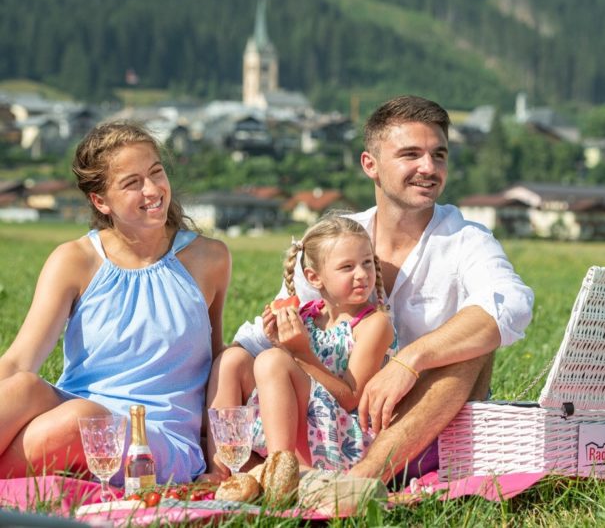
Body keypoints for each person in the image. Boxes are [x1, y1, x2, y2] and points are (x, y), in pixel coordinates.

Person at [210, 95, 534, 482]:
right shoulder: (337, 239)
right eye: (411, 154)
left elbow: (511, 306)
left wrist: (410, 359)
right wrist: (274, 332)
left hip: (421, 425)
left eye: (439, 155)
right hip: (336, 420)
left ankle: (360, 481)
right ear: (371, 165)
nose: (428, 168)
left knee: (470, 352)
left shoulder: (466, 239)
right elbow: (257, 340)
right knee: (239, 358)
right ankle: (240, 475)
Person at [0, 121, 231, 484]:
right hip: (76, 413)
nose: (153, 189)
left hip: (157, 439)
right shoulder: (74, 260)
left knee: (82, 421)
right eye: (132, 182)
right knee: (23, 388)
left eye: (156, 172)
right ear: (100, 200)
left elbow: (217, 367)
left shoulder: (209, 259)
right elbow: (17, 361)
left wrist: (218, 460)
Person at [245, 214, 396, 472]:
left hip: (341, 439)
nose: (361, 274)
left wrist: (299, 352)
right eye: (347, 267)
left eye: (367, 263)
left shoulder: (374, 325)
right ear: (314, 278)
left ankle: (281, 472)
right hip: (308, 431)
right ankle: (232, 465)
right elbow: (293, 375)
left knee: (271, 361)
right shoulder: (308, 317)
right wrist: (281, 344)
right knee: (236, 361)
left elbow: (351, 399)